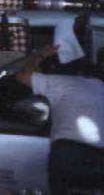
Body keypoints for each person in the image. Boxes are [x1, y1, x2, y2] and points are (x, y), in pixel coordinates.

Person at [16, 44, 104, 194]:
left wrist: (40, 54)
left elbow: (23, 76)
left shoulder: (62, 82)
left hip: (69, 151)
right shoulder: (99, 87)